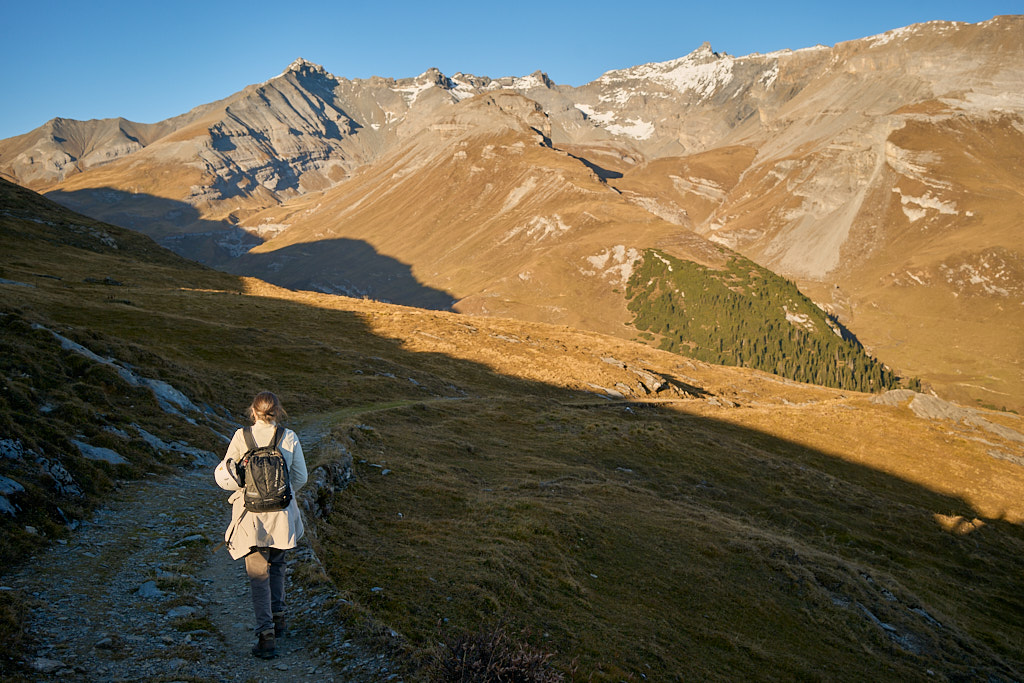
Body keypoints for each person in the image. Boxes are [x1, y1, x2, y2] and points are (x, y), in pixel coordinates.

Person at [215, 391, 308, 659]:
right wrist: (282, 494)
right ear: (277, 411)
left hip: (251, 516)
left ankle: (266, 635)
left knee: (258, 575)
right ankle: (279, 620)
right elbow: (301, 477)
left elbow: (227, 475)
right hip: (281, 515)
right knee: (278, 565)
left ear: (253, 412)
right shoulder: (288, 437)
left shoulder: (241, 436)